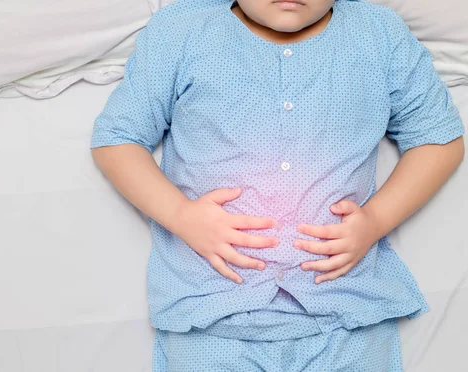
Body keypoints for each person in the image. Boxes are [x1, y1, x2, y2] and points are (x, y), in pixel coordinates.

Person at [90, 0, 465, 370]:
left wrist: (376, 221)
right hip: (210, 315)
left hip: (347, 312)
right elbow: (117, 139)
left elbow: (438, 140)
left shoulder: (379, 34)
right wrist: (182, 216)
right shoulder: (184, 30)